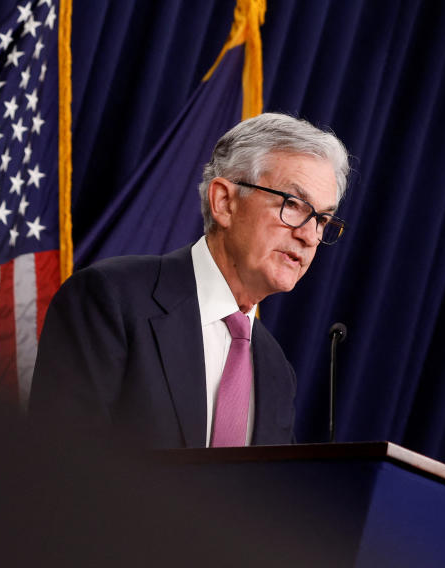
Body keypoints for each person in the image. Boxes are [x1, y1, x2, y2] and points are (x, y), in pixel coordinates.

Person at [29, 113, 350, 448]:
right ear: (225, 202)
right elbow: (61, 464)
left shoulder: (277, 372)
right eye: (293, 205)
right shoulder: (110, 299)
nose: (309, 235)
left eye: (323, 219)